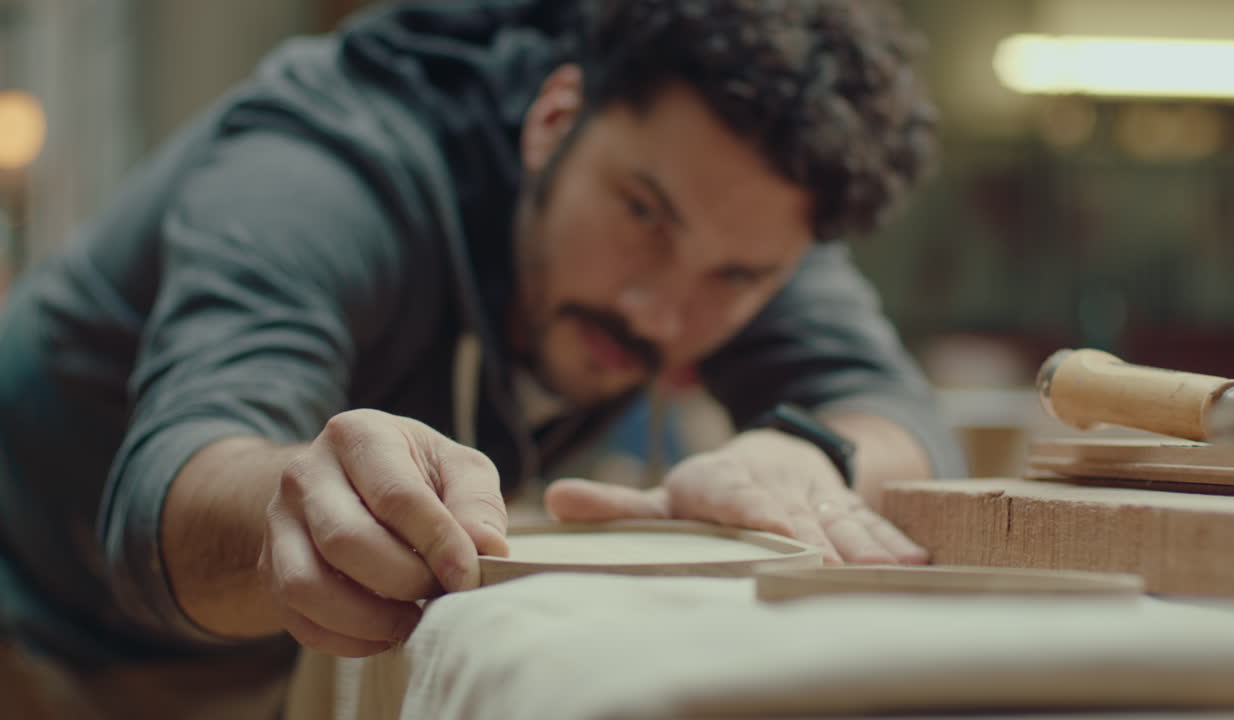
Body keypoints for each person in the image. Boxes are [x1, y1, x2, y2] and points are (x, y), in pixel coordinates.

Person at [0, 0, 964, 714]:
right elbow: (169, 483)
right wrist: (299, 492)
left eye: (740, 279)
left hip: (289, 658)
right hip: (40, 621)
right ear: (553, 119)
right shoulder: (323, 174)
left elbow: (897, 415)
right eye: (640, 216)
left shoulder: (738, 212)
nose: (659, 313)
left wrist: (801, 461)